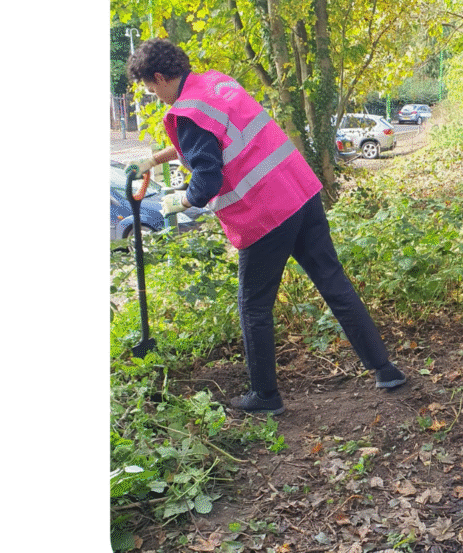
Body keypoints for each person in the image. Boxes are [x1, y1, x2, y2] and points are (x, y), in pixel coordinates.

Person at [124, 38, 406, 414]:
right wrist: (154, 159)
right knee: (334, 282)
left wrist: (176, 201)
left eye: (150, 88)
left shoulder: (187, 112)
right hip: (300, 191)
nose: (153, 95)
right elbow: (215, 137)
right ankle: (385, 370)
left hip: (264, 213)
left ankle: (265, 396)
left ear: (159, 77)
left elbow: (205, 184)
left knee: (254, 305)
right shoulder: (217, 84)